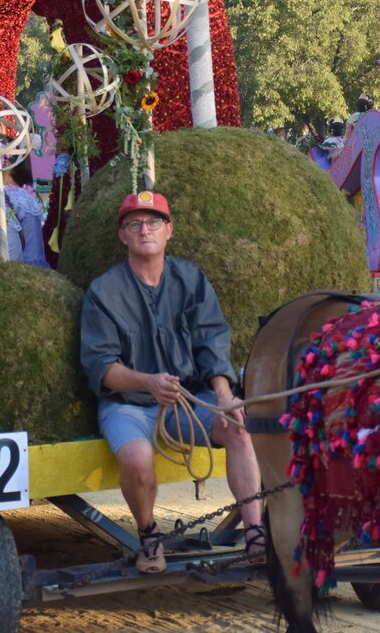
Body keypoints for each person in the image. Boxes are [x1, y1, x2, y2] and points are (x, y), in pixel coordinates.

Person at [78, 191, 264, 573]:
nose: (144, 230)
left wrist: (225, 397)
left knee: (239, 430)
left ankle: (256, 534)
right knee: (136, 458)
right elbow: (101, 365)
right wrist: (147, 382)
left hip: (184, 401)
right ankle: (149, 538)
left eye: (153, 222)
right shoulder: (103, 292)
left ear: (169, 231)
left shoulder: (191, 280)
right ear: (123, 236)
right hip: (127, 403)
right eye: (134, 224)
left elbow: (212, 339)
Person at [3, 162, 47, 267]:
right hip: (36, 264)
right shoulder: (28, 198)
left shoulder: (7, 195)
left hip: (18, 268)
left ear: (7, 164)